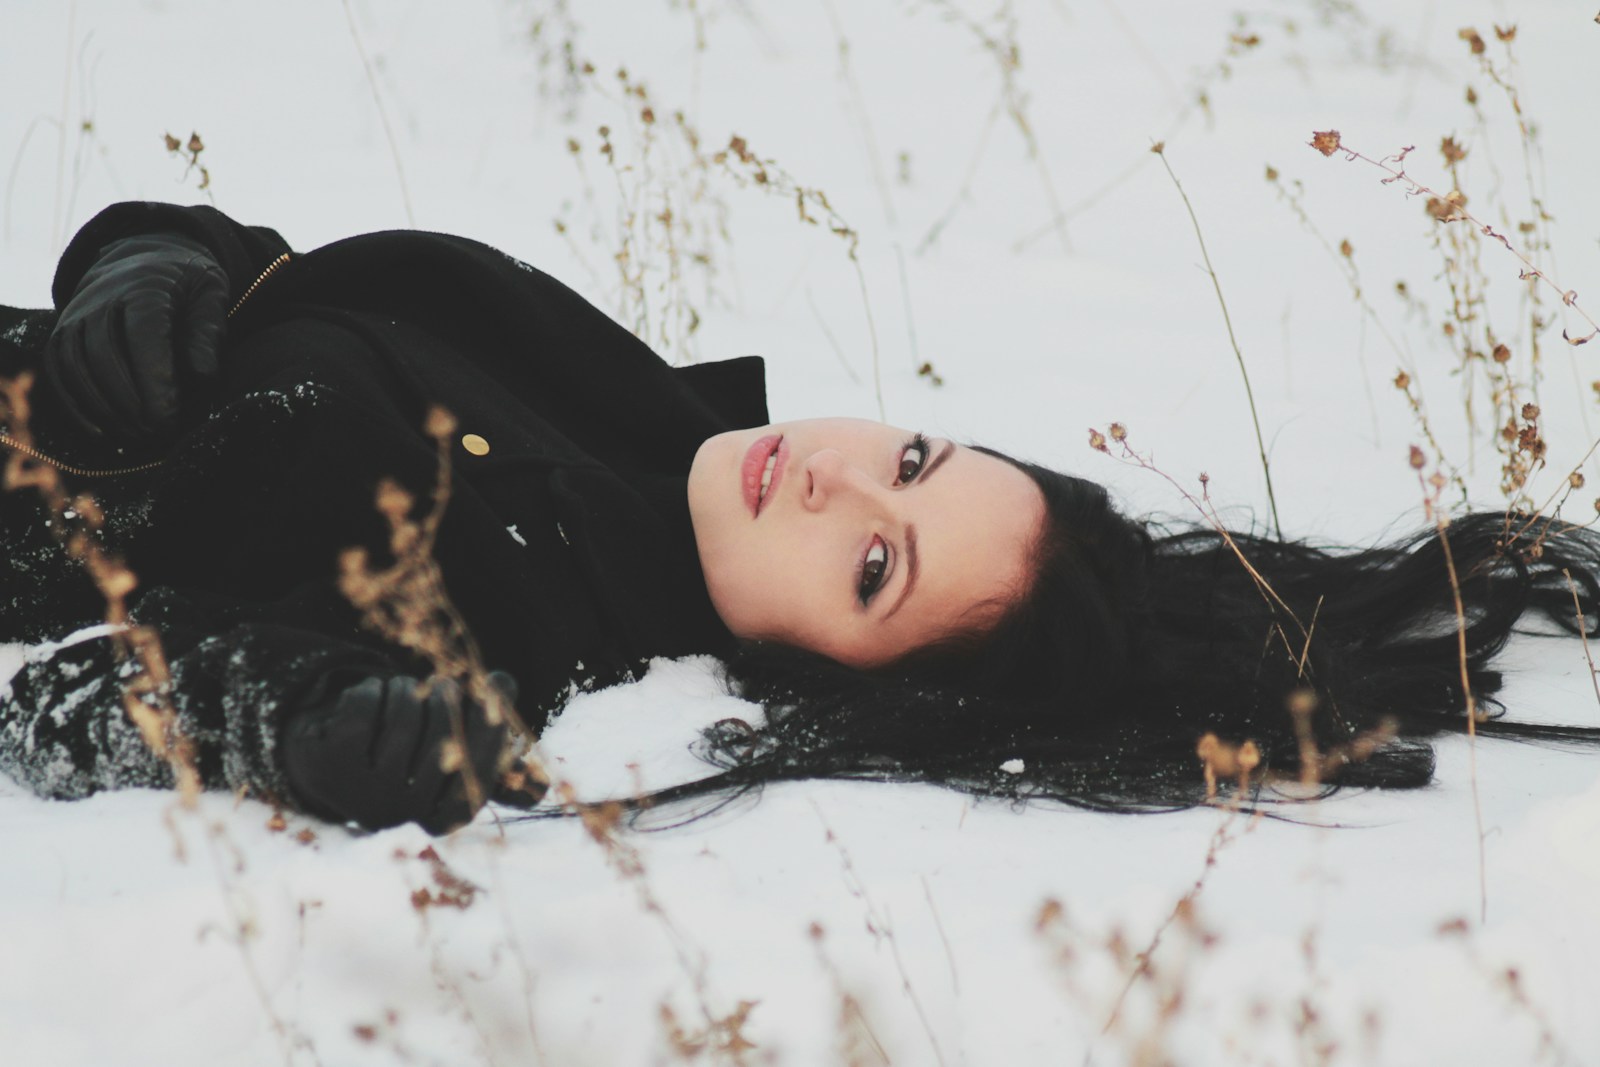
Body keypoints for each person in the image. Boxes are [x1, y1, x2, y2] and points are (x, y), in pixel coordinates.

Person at [2, 202, 1598, 835]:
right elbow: (264, 273)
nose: (833, 478)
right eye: (912, 458)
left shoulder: (528, 630)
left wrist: (290, 727)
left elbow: (65, 706)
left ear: (828, 668)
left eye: (875, 566)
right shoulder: (619, 398)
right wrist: (150, 264)